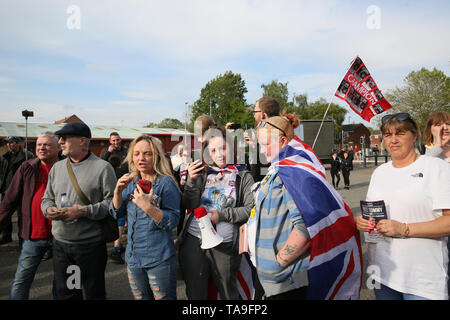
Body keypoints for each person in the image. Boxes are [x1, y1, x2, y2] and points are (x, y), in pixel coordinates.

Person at [249, 114, 362, 300]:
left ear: (283, 140)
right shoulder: (279, 168)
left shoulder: (292, 173)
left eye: (266, 144)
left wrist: (278, 262)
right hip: (271, 278)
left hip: (285, 279)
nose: (263, 151)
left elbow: (306, 226)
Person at [356, 112, 450, 300]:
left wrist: (405, 229)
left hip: (422, 280)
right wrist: (363, 223)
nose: (393, 140)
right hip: (383, 274)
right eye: (388, 135)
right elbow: (372, 213)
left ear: (414, 136)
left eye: (400, 133)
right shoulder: (379, 172)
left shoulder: (435, 168)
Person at [41, 122, 117, 300]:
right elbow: (47, 198)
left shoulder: (103, 168)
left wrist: (84, 211)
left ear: (83, 141)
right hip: (62, 245)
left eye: (65, 138)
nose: (60, 142)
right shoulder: (57, 168)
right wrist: (48, 209)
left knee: (93, 293)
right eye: (60, 138)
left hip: (90, 246)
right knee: (69, 292)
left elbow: (112, 205)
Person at [179, 127, 254, 300]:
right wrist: (191, 180)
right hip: (194, 239)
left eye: (224, 148)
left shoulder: (243, 176)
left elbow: (250, 209)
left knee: (228, 292)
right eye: (213, 150)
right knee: (195, 290)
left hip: (225, 244)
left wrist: (221, 215)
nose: (219, 154)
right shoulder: (201, 172)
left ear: (232, 148)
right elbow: (188, 204)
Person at [109, 135, 180, 300]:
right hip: (133, 259)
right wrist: (117, 193)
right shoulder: (131, 181)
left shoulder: (165, 183)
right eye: (137, 153)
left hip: (159, 259)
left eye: (147, 154)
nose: (141, 158)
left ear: (156, 156)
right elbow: (115, 214)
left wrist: (148, 207)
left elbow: (173, 220)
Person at [0, 132, 61, 299]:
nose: (41, 148)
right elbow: (9, 200)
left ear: (58, 148)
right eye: (39, 145)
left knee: (63, 280)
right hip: (34, 235)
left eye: (47, 145)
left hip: (62, 236)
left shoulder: (67, 168)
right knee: (21, 279)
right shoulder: (27, 167)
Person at [0, 136, 35, 245]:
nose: (10, 145)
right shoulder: (4, 157)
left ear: (18, 144)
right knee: (6, 214)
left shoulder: (27, 155)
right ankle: (6, 236)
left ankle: (22, 237)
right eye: (9, 143)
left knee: (22, 214)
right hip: (7, 189)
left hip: (22, 189)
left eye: (13, 143)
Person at [245, 97, 280, 182]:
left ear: (263, 114)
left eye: (255, 112)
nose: (254, 115)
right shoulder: (282, 129)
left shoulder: (270, 133)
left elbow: (262, 169)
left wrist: (255, 146)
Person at [108, 154, 128, 264]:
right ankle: (117, 249)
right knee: (120, 225)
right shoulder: (122, 174)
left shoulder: (109, 173)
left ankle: (119, 245)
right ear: (120, 164)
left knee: (118, 223)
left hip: (112, 201)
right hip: (120, 201)